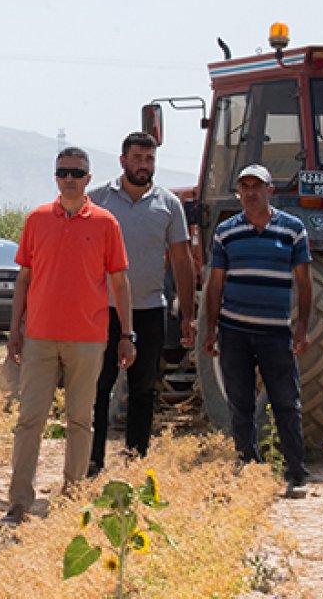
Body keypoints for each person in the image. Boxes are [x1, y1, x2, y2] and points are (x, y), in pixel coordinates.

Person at [1, 147, 135, 527]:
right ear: (56, 177)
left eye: (77, 172)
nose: (70, 178)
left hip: (88, 338)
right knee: (30, 420)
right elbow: (24, 280)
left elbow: (120, 283)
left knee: (81, 420)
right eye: (63, 172)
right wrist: (15, 331)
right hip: (40, 336)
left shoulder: (107, 223)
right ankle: (19, 502)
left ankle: (73, 496)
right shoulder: (37, 219)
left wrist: (126, 334)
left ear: (89, 178)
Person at [86, 131, 196, 475]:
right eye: (137, 158)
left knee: (143, 387)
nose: (144, 165)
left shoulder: (169, 204)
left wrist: (188, 315)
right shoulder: (98, 199)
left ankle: (136, 461)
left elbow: (181, 260)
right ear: (123, 161)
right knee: (99, 387)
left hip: (149, 309)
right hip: (103, 310)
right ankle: (93, 461)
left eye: (149, 159)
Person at [201, 164, 312, 499]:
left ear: (270, 190)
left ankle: (296, 473)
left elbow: (305, 284)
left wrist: (302, 328)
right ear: (238, 192)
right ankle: (248, 466)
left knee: (286, 404)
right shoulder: (226, 231)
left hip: (276, 333)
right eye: (244, 187)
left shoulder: (292, 230)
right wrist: (211, 329)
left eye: (256, 186)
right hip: (235, 332)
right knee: (240, 403)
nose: (250, 193)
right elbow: (215, 285)